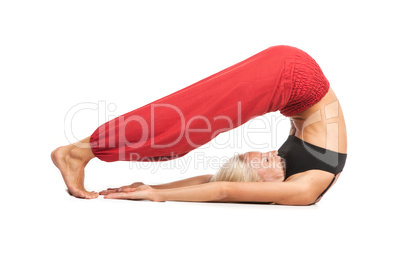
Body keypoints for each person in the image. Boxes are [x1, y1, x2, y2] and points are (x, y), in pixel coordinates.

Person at [51, 45, 347, 205]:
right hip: (291, 79)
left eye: (264, 159)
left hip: (291, 79)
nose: (272, 152)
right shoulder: (305, 189)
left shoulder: (288, 179)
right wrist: (159, 196)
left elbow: (212, 182)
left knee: (177, 137)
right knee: (175, 135)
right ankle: (77, 152)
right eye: (267, 159)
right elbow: (223, 191)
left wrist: (153, 186)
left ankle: (81, 150)